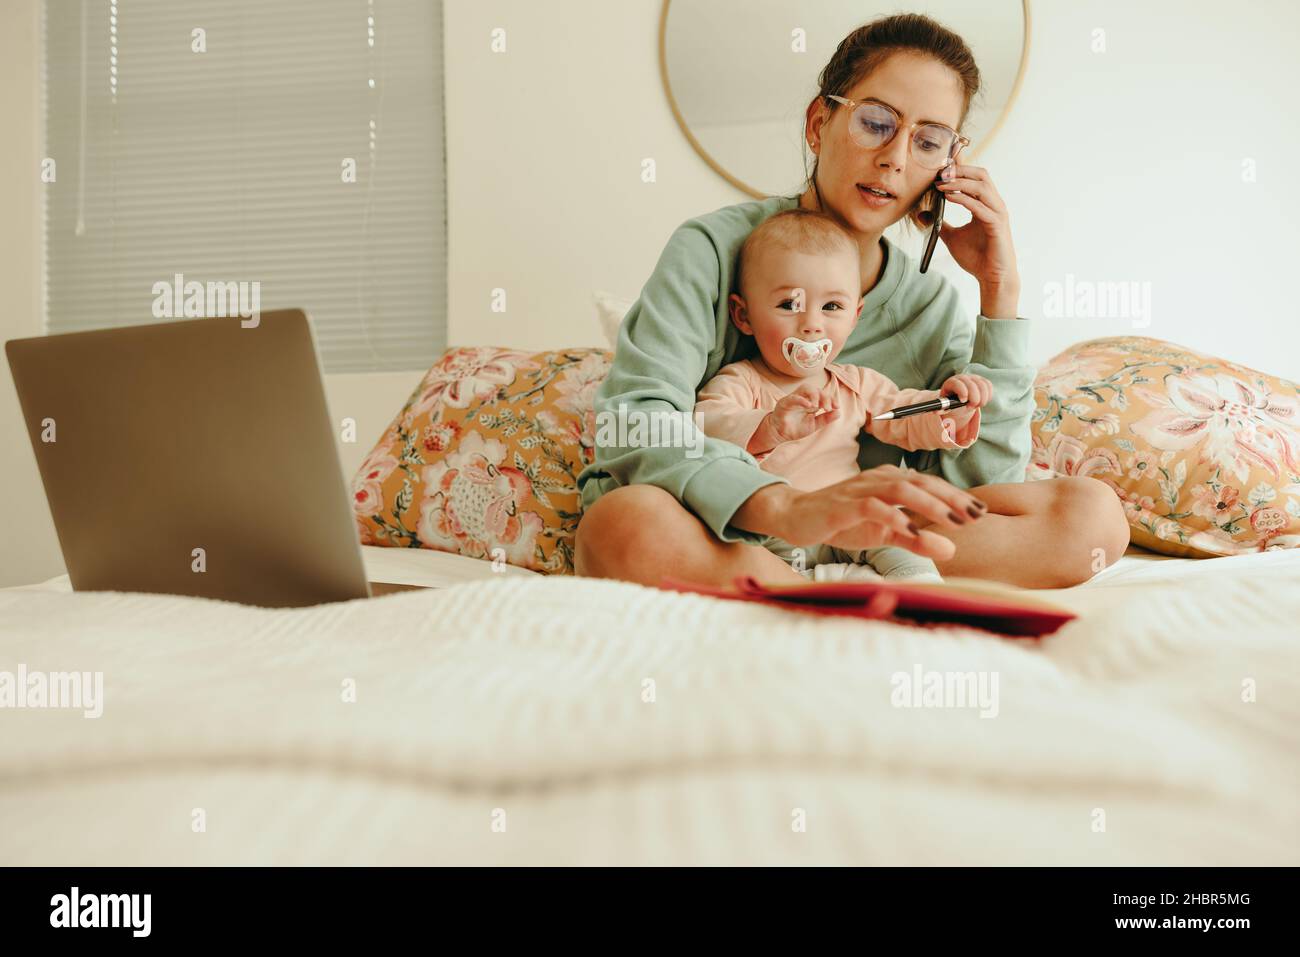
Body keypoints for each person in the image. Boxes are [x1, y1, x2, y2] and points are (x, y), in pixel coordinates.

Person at [575, 13, 1129, 589]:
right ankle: (814, 597)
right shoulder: (713, 250)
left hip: (880, 542)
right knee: (621, 524)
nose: (895, 158)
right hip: (735, 530)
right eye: (875, 123)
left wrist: (1000, 291)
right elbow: (636, 427)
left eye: (928, 141)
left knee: (1092, 517)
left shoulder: (928, 304)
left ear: (948, 166)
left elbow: (977, 487)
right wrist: (783, 508)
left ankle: (806, 594)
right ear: (819, 123)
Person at [694, 207, 992, 584]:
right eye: (790, 305)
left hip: (851, 520)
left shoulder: (854, 383)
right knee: (748, 560)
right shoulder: (740, 381)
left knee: (900, 537)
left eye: (832, 307)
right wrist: (768, 427)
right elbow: (706, 428)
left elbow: (904, 417)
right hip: (776, 534)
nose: (812, 324)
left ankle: (923, 596)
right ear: (744, 316)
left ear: (854, 316)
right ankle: (827, 588)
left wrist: (952, 409)